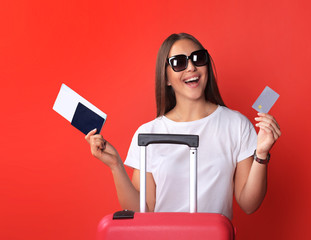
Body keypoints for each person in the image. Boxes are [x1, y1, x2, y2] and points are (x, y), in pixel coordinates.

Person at [85, 33, 281, 220]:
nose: (191, 67)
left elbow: (249, 204)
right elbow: (142, 210)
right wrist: (116, 165)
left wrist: (261, 154)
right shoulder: (148, 133)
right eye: (179, 63)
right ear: (166, 78)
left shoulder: (236, 125)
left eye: (198, 58)